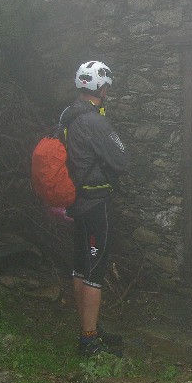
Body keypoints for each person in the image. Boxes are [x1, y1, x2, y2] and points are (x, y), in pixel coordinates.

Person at [62, 60, 130, 357]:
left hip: (77, 201)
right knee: (95, 269)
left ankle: (88, 329)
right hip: (95, 203)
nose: (108, 92)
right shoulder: (95, 122)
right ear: (99, 87)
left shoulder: (68, 114)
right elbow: (122, 160)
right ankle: (88, 342)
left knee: (81, 266)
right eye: (107, 87)